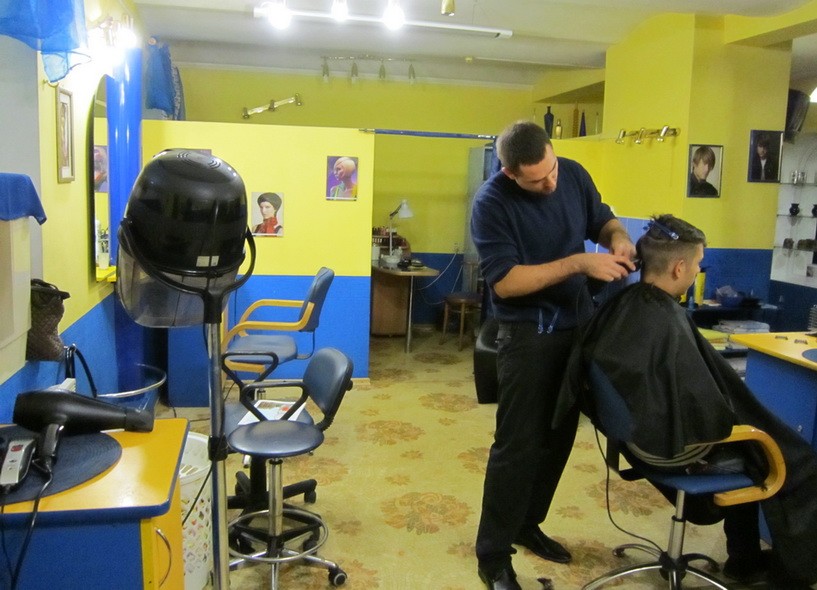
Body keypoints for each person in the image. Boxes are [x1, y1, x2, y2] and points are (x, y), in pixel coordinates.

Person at [557, 214, 817, 590]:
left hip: (634, 439)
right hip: (669, 450)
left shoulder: (625, 305)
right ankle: (786, 576)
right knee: (788, 460)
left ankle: (744, 560)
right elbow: (709, 417)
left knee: (752, 442)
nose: (697, 272)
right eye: (697, 264)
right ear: (679, 267)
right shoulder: (664, 319)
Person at [469, 120, 636, 590]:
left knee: (558, 438)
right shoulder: (491, 204)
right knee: (517, 446)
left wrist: (618, 239)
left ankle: (527, 523)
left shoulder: (573, 173)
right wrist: (580, 262)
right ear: (509, 173)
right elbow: (507, 282)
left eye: (552, 170)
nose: (550, 183)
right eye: (537, 180)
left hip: (576, 328)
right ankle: (493, 555)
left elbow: (604, 220)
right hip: (527, 336)